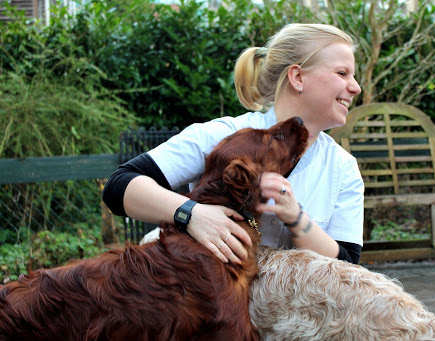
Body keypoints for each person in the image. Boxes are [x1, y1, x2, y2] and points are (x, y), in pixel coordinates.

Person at [102, 23, 364, 265]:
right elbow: (119, 186)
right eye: (342, 73)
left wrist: (296, 219)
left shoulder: (343, 168)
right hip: (209, 301)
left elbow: (348, 265)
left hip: (293, 312)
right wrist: (191, 214)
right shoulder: (224, 136)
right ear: (297, 77)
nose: (356, 88)